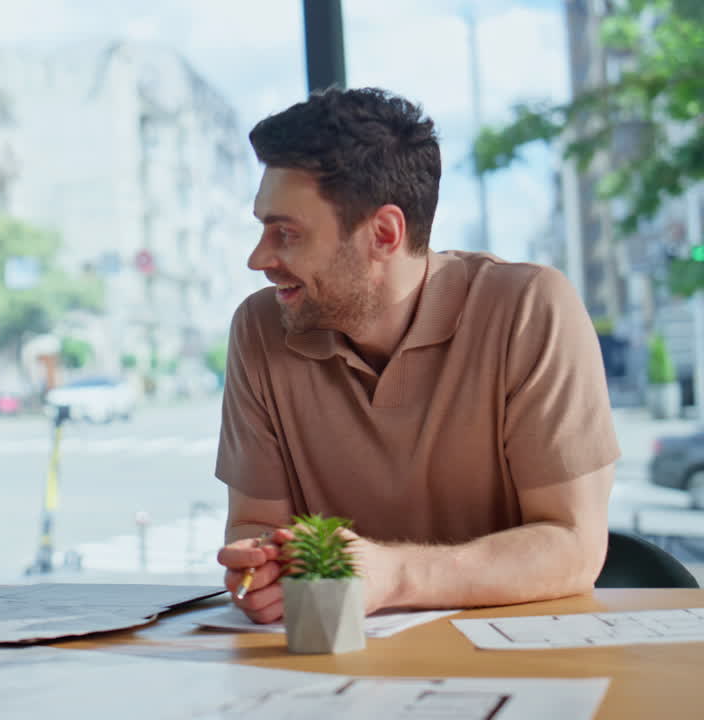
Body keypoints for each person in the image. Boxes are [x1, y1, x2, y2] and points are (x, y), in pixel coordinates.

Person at [214, 88, 619, 624]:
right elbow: (254, 526)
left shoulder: (529, 308)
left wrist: (394, 576)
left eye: (285, 233)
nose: (258, 258)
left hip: (520, 666)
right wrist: (263, 569)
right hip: (335, 673)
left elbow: (573, 546)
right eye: (262, 228)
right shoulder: (260, 330)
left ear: (384, 233)